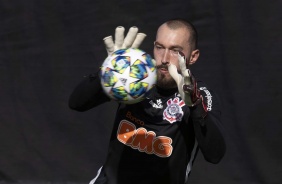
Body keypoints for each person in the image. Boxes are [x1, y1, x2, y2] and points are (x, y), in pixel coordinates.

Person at [69, 18, 226, 184]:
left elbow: (214, 155)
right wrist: (107, 72)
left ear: (193, 57)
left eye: (175, 50)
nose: (164, 58)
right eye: (159, 47)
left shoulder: (200, 95)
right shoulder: (134, 78)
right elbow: (76, 103)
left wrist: (195, 107)